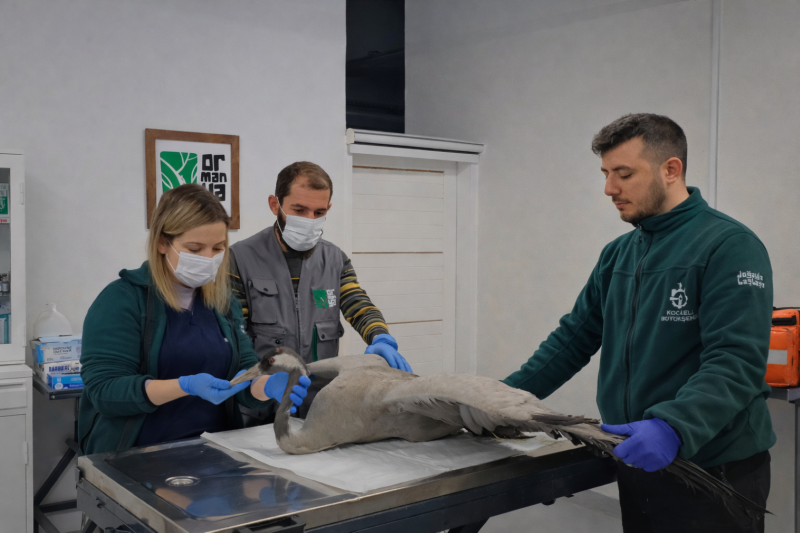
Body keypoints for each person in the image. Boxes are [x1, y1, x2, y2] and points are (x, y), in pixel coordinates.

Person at [503, 114, 774, 532]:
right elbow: (572, 340)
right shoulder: (618, 254)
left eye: (624, 174)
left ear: (671, 169)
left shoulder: (729, 246)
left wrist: (673, 426)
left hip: (713, 467)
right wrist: (501, 401)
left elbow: (735, 361)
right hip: (638, 459)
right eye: (606, 174)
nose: (610, 188)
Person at [78, 184, 310, 455]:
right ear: (162, 243)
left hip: (213, 450)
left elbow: (242, 375)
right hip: (138, 454)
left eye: (218, 248)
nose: (208, 258)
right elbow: (105, 391)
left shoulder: (223, 303)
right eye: (195, 248)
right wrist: (184, 386)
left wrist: (266, 385)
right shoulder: (123, 300)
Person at [229, 162, 411, 415]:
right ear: (275, 205)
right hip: (262, 404)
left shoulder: (335, 260)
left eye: (319, 212)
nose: (309, 220)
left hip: (319, 404)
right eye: (299, 210)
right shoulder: (240, 259)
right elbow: (235, 335)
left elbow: (358, 303)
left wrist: (380, 337)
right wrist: (264, 385)